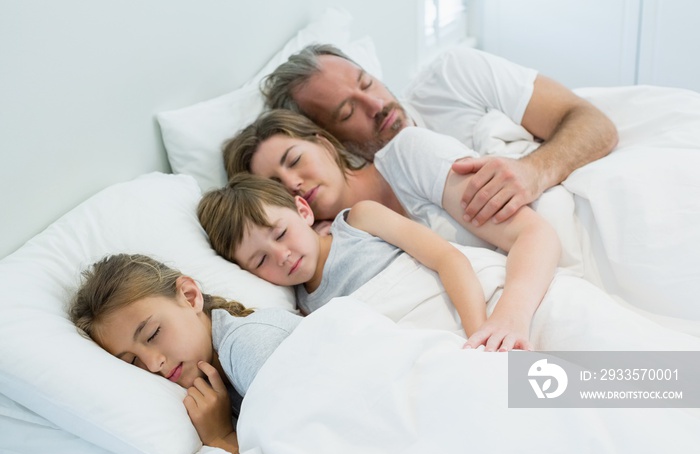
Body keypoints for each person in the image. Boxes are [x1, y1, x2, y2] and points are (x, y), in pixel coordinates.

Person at [223, 109, 561, 350]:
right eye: (277, 184)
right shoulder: (301, 297)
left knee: (598, 385)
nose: (294, 183)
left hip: (511, 293)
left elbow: (453, 257)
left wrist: (485, 336)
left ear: (323, 144)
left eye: (295, 161)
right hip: (444, 342)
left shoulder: (366, 210)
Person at [261, 43, 618, 226]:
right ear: (326, 139)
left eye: (366, 82)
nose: (376, 104)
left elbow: (594, 124)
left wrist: (534, 171)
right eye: (347, 111)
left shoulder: (454, 76)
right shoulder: (364, 202)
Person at [198, 172, 555, 351]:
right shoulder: (304, 308)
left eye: (280, 234)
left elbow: (447, 257)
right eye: (260, 260)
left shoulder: (358, 221)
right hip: (434, 342)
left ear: (302, 210)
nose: (282, 256)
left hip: (476, 308)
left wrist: (480, 334)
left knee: (586, 368)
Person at [69, 253, 302, 454]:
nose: (152, 364)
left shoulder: (248, 343)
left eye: (152, 334)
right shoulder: (218, 376)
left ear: (190, 297)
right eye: (132, 361)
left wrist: (222, 437)